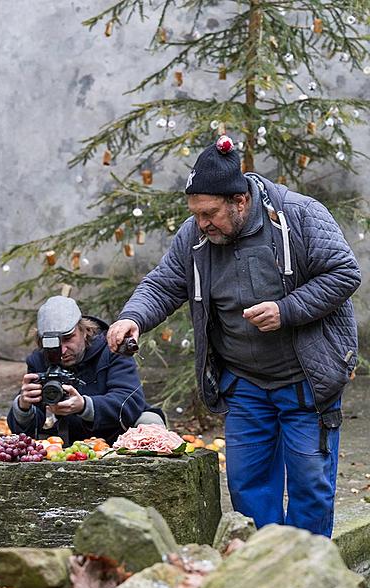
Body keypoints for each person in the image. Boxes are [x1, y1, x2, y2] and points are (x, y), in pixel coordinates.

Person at [107, 135, 361, 538]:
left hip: (306, 381)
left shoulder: (300, 216)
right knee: (247, 485)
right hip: (245, 383)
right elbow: (164, 284)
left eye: (210, 213)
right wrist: (132, 318)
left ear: (239, 201)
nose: (202, 223)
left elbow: (344, 273)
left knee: (310, 487)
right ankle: (261, 573)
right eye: (196, 214)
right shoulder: (196, 236)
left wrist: (286, 310)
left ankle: (307, 577)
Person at [7, 295, 165, 445]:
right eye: (53, 343)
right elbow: (26, 431)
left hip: (118, 436)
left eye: (68, 338)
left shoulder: (112, 349)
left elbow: (131, 402)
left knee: (150, 422)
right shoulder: (40, 360)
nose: (62, 351)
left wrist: (85, 406)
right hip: (66, 443)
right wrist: (23, 406)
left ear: (84, 330)